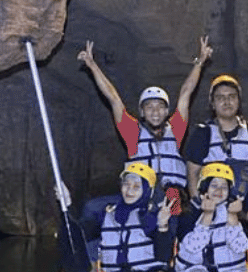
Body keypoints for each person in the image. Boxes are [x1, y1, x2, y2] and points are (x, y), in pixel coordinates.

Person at [78, 36, 212, 212]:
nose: (155, 112)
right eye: (149, 107)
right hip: (139, 195)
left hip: (170, 197)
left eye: (160, 107)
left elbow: (186, 93)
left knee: (178, 210)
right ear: (142, 112)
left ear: (166, 112)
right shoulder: (132, 132)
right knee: (91, 209)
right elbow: (113, 98)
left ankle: (172, 235)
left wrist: (200, 62)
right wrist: (92, 66)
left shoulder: (176, 129)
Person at [183, 74, 248, 227]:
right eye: (220, 98)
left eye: (231, 96)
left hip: (246, 196)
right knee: (182, 220)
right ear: (212, 103)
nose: (226, 101)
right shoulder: (202, 133)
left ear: (238, 100)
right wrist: (200, 205)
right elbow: (192, 173)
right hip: (213, 196)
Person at [74, 162, 177, 272]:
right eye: (126, 184)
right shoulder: (106, 214)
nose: (129, 191)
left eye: (136, 187)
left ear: (147, 190)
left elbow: (164, 255)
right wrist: (66, 206)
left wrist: (162, 225)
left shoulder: (154, 216)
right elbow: (79, 236)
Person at [174, 162, 248, 272]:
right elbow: (192, 248)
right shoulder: (189, 213)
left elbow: (239, 247)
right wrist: (207, 216)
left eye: (224, 187)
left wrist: (233, 217)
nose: (219, 191)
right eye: (214, 185)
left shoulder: (233, 210)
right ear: (204, 187)